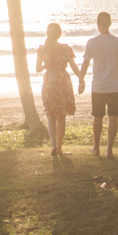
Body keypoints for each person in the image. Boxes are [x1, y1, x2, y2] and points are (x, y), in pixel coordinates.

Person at [78, 11, 118, 158]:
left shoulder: (92, 42)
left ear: (97, 25)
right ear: (110, 23)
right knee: (113, 117)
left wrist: (81, 80)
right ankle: (109, 150)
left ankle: (96, 147)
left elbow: (85, 63)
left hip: (99, 86)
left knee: (98, 117)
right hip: (116, 85)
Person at [36, 22, 82, 157]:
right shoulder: (66, 48)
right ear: (60, 34)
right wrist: (81, 78)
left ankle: (53, 145)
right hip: (63, 81)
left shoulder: (42, 49)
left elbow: (37, 69)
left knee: (50, 114)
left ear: (47, 33)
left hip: (49, 81)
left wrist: (46, 65)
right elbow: (73, 66)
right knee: (61, 117)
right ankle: (60, 147)